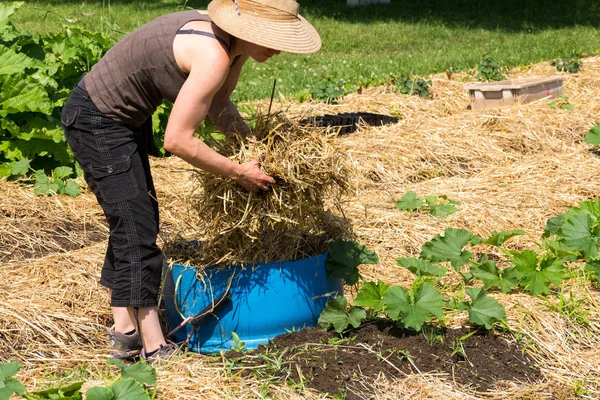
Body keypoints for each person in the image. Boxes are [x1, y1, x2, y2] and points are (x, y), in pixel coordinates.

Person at [60, 0, 321, 363]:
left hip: (121, 119)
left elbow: (219, 104)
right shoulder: (213, 55)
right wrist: (237, 171)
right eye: (273, 38)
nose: (277, 49)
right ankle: (153, 343)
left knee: (134, 218)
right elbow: (177, 140)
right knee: (137, 226)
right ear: (250, 30)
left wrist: (251, 146)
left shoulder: (233, 48)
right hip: (96, 121)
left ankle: (123, 328)